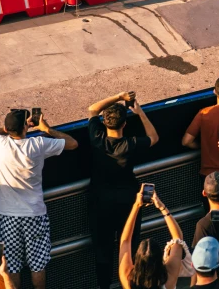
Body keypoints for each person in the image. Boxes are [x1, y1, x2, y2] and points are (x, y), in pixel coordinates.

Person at [0, 108, 78, 289]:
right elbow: (72, 143)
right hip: (35, 215)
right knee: (38, 265)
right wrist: (46, 128)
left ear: (7, 128)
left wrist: (4, 129)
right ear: (26, 127)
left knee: (10, 266)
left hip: (7, 217)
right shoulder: (38, 144)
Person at [87, 91, 158, 289]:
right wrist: (140, 112)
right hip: (128, 203)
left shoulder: (97, 139)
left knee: (102, 251)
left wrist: (119, 96)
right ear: (124, 125)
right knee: (129, 246)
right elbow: (153, 137)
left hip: (100, 204)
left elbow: (93, 109)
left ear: (104, 123)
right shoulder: (131, 144)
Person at [116, 185, 184, 289]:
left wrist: (136, 205)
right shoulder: (168, 279)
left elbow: (125, 241)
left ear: (138, 260)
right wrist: (162, 207)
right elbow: (178, 238)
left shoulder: (128, 280)